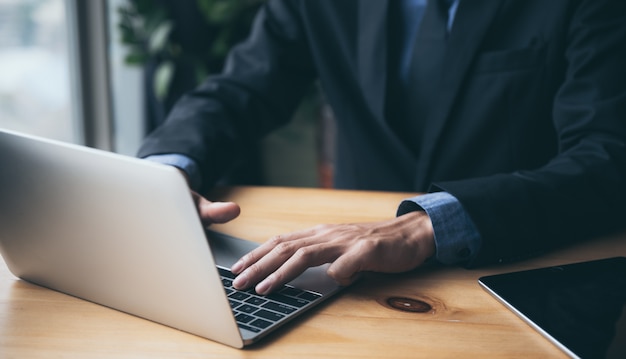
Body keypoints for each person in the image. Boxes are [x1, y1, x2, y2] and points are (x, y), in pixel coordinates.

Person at [138, 0, 626, 295]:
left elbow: (608, 157)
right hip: (346, 283)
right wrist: (165, 174)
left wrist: (425, 226)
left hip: (522, 281)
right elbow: (241, 90)